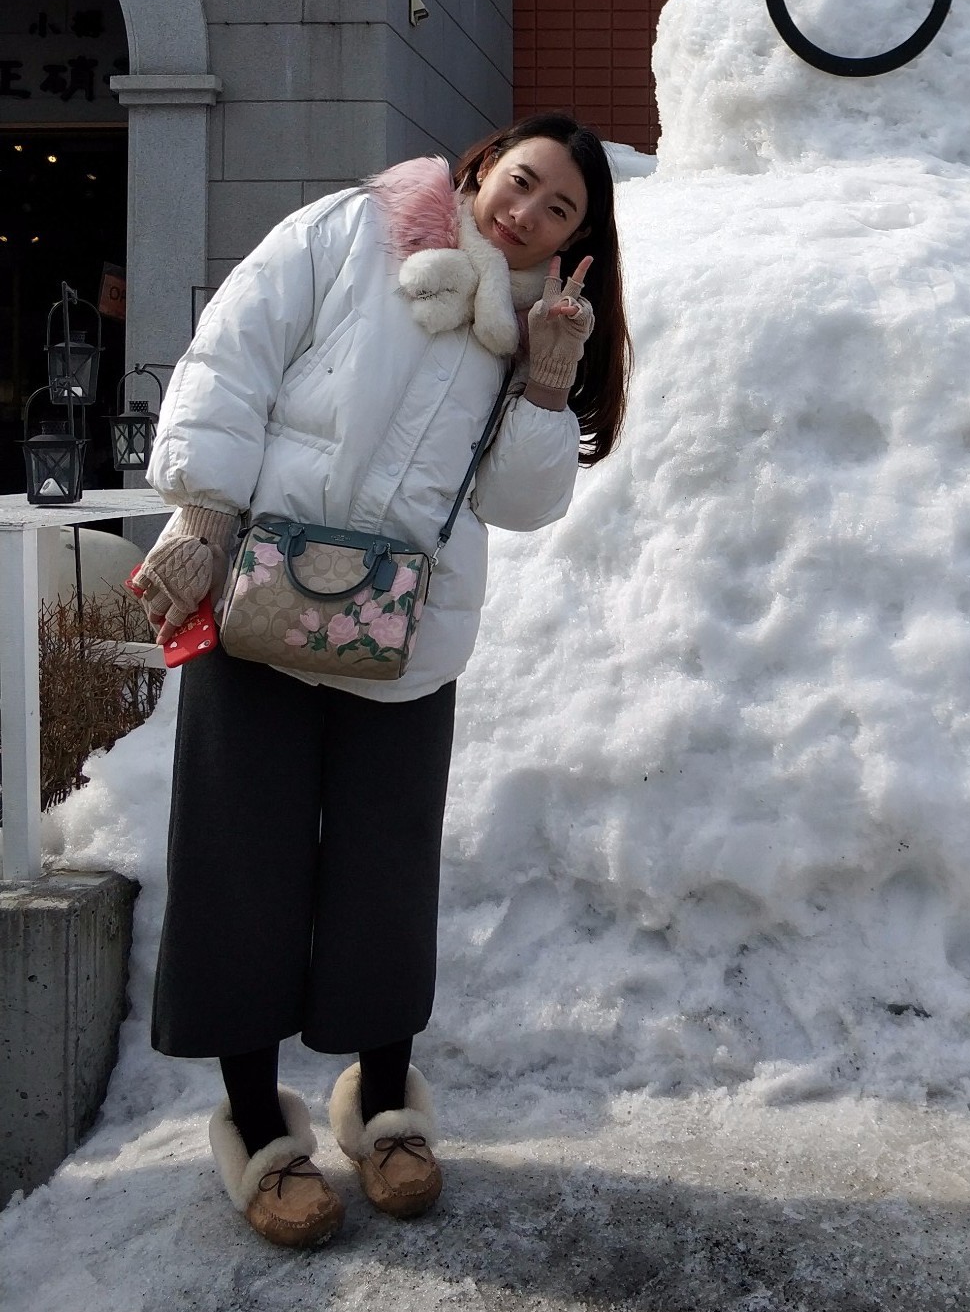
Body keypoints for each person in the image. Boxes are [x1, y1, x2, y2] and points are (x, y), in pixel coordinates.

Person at [133, 114, 629, 1249]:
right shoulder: (350, 229)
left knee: (383, 871)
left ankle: (387, 1109)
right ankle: (259, 1133)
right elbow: (233, 352)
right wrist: (201, 510)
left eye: (560, 210)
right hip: (258, 592)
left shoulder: (542, 322)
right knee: (237, 859)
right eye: (523, 183)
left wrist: (547, 379)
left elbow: (520, 503)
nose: (528, 214)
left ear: (578, 236)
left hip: (404, 633)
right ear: (481, 167)